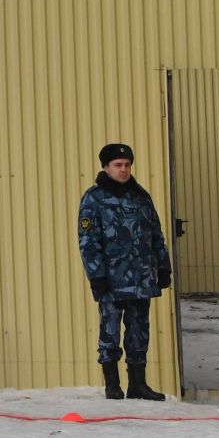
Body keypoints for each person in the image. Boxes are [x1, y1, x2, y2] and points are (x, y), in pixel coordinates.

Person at [77, 142, 171, 401]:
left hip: (140, 278)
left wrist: (163, 266)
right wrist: (96, 276)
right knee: (110, 331)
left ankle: (138, 385)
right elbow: (88, 241)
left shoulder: (141, 197)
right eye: (118, 165)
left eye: (127, 164)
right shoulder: (94, 199)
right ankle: (113, 385)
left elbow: (155, 234)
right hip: (111, 280)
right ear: (106, 167)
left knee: (139, 330)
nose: (124, 169)